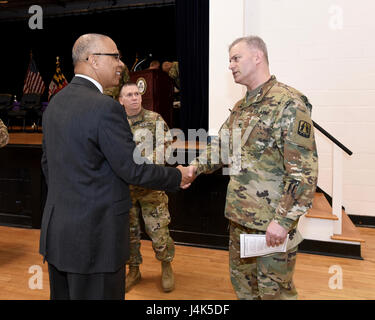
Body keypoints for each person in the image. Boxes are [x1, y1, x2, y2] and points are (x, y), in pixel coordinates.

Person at [39, 33, 194, 300]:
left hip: (60, 235)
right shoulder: (105, 108)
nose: (121, 63)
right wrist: (176, 176)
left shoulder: (55, 103)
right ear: (93, 60)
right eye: (115, 56)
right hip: (95, 240)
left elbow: (47, 164)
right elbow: (132, 169)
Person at [189, 36, 318, 300]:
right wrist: (193, 168)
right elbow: (222, 147)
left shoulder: (288, 103)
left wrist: (282, 221)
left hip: (271, 227)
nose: (230, 66)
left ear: (257, 57)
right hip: (240, 223)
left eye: (236, 58)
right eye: (230, 60)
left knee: (275, 293)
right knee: (245, 291)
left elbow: (303, 172)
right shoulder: (242, 107)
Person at [118, 83, 175, 293]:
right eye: (129, 95)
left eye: (137, 94)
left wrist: (143, 166)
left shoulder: (154, 119)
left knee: (158, 229)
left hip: (151, 186)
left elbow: (166, 146)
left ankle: (166, 265)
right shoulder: (116, 122)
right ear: (121, 100)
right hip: (125, 188)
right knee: (128, 232)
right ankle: (133, 270)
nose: (134, 98)